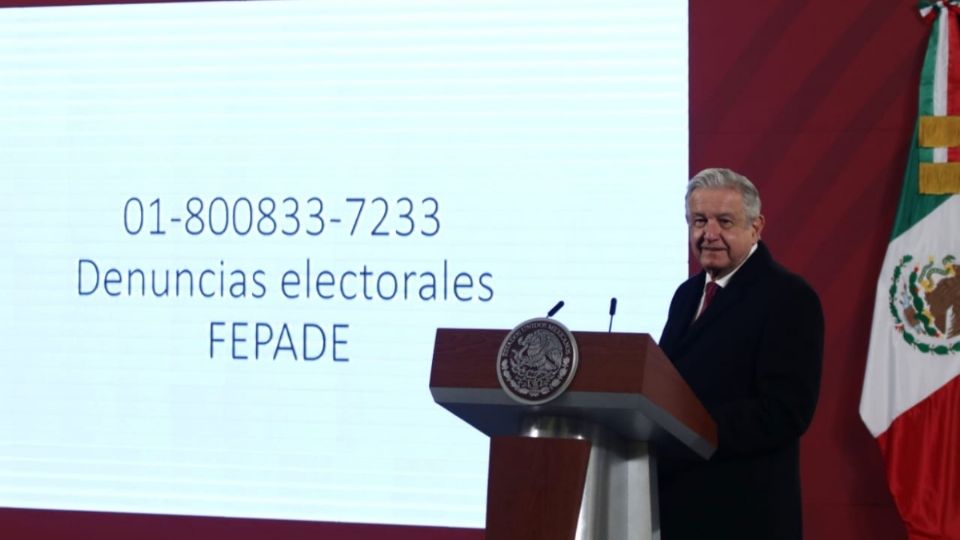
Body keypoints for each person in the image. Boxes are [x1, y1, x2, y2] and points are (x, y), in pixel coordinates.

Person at [657, 168, 824, 539]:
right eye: (699, 221)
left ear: (756, 226)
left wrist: (685, 428)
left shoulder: (789, 298)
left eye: (724, 221)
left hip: (744, 515)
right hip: (677, 512)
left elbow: (786, 411)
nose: (709, 234)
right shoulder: (686, 295)